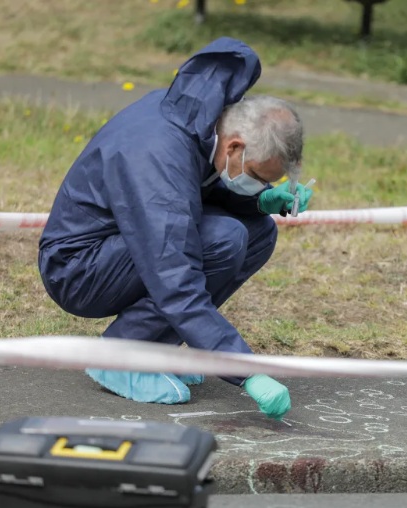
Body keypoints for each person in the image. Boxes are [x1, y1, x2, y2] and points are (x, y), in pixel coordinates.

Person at [37, 37, 313, 421]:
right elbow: (174, 273)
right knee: (225, 240)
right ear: (235, 147)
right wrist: (245, 371)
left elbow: (193, 191)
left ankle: (155, 350)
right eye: (256, 178)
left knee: (258, 232)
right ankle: (120, 356)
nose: (260, 185)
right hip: (79, 267)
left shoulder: (200, 117)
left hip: (122, 243)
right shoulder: (158, 155)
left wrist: (257, 201)